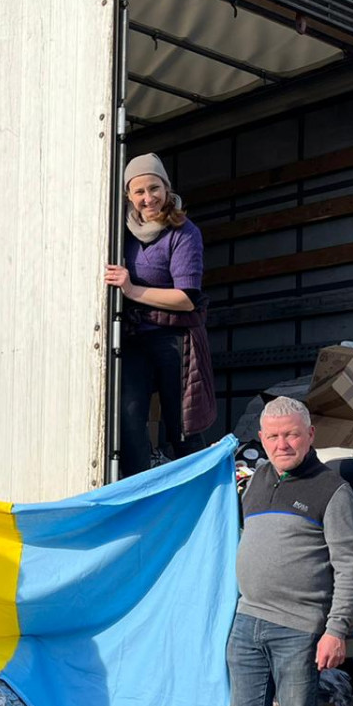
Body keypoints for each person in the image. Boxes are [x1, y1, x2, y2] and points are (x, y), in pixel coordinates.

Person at [208, 396, 353, 706]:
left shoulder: (333, 491)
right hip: (247, 621)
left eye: (291, 434)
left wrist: (336, 630)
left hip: (298, 629)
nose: (283, 444)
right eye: (273, 437)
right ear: (262, 440)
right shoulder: (255, 482)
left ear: (310, 434)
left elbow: (349, 565)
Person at [104, 152, 215, 477]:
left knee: (182, 426)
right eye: (139, 192)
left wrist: (132, 290)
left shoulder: (183, 232)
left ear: (166, 189)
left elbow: (186, 298)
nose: (148, 198)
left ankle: (197, 497)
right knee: (128, 418)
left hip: (175, 337)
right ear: (129, 196)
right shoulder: (118, 231)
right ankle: (138, 495)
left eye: (154, 188)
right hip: (136, 336)